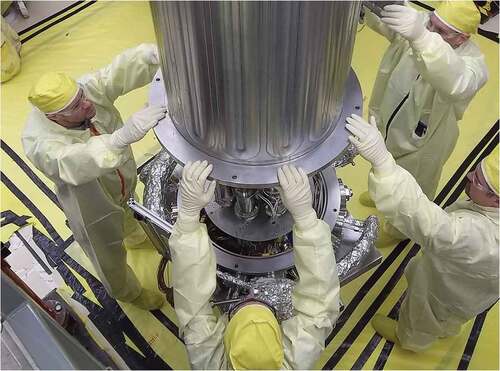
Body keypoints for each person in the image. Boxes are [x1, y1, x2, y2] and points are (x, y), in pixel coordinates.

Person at [22, 44, 168, 310]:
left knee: (128, 208)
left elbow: (113, 75)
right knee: (107, 253)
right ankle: (129, 293)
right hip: (92, 204)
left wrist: (149, 56)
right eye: (78, 105)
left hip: (121, 179)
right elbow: (74, 161)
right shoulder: (39, 143)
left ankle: (135, 236)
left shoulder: (82, 94)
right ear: (55, 117)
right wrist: (122, 137)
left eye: (83, 96)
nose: (88, 103)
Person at [346, 113, 499, 352]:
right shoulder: (489, 215)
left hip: (452, 285)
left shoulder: (483, 238)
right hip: (475, 283)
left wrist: (383, 163)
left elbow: (433, 226)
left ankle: (411, 339)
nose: (469, 177)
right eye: (475, 171)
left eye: (478, 182)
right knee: (452, 314)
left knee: (428, 311)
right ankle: (447, 327)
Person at [168, 160, 340, 369]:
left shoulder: (210, 364)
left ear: (228, 343)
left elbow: (192, 303)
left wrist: (187, 219)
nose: (252, 296)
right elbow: (320, 306)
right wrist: (306, 218)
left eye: (241, 305)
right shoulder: (296, 361)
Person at [360, 1, 488, 212]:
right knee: (382, 159)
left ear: (462, 37)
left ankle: (398, 230)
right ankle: (379, 194)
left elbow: (456, 82)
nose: (432, 31)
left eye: (441, 32)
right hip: (390, 115)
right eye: (431, 24)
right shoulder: (425, 23)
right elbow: (391, 21)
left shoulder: (474, 65)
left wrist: (422, 37)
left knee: (410, 185)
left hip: (425, 140)